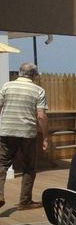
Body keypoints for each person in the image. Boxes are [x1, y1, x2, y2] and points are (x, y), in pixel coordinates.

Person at [0, 62, 48, 210]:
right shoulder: (38, 90)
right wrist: (45, 137)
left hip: (6, 130)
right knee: (29, 167)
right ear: (34, 75)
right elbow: (41, 116)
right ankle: (25, 201)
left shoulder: (7, 86)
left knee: (2, 164)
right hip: (27, 133)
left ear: (19, 73)